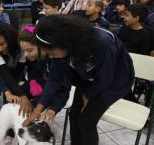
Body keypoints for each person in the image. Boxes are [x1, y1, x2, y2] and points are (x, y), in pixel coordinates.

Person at [23, 15, 134, 145]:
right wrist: (37, 111)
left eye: (52, 53)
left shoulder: (102, 41)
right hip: (87, 78)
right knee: (74, 115)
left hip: (114, 81)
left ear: (64, 43)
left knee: (86, 121)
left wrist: (88, 95)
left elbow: (106, 77)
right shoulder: (63, 49)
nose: (51, 56)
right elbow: (54, 79)